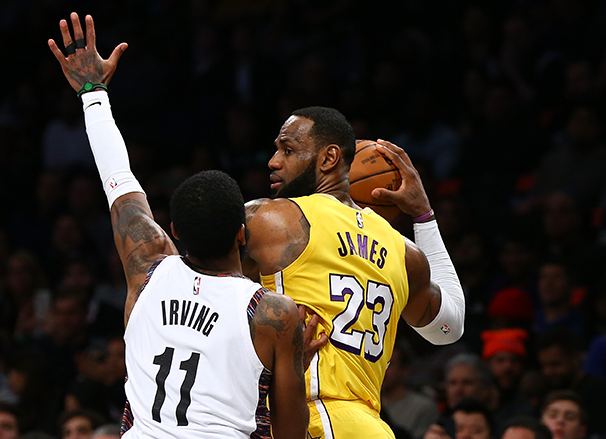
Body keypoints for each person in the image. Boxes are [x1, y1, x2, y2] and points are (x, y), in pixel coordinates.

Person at [47, 12, 309, 439]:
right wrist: (297, 365)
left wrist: (92, 93)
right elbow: (291, 434)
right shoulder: (274, 313)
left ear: (173, 230)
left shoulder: (146, 268)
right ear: (242, 233)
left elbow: (118, 180)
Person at [240, 98, 464, 437]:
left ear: (329, 158)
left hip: (309, 418)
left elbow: (190, 291)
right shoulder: (405, 252)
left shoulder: (272, 219)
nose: (273, 161)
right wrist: (423, 215)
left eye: (287, 150)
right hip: (370, 425)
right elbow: (449, 328)